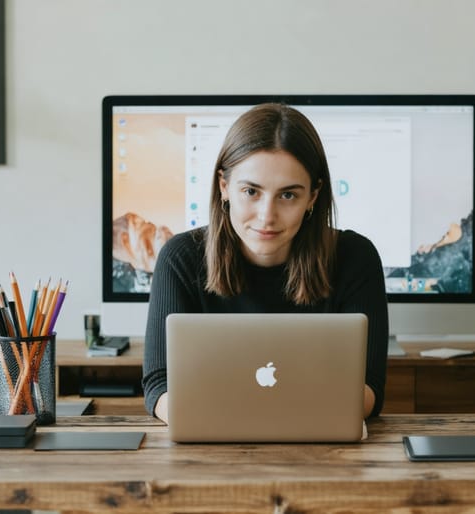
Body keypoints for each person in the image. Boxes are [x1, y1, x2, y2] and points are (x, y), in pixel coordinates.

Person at [142, 103, 388, 423]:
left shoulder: (356, 258)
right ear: (224, 186)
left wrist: (249, 418)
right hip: (213, 440)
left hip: (320, 443)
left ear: (313, 197)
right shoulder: (181, 258)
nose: (266, 216)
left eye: (288, 195)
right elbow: (160, 386)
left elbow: (368, 389)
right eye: (251, 191)